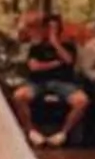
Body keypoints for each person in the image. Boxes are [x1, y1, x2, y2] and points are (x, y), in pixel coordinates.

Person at [6, 13, 81, 149]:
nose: (52, 30)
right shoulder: (36, 48)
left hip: (62, 83)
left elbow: (69, 60)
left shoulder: (68, 45)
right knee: (19, 96)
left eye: (55, 27)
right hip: (38, 83)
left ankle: (62, 134)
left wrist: (55, 43)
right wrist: (56, 64)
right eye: (49, 27)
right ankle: (31, 132)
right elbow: (34, 67)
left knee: (81, 101)